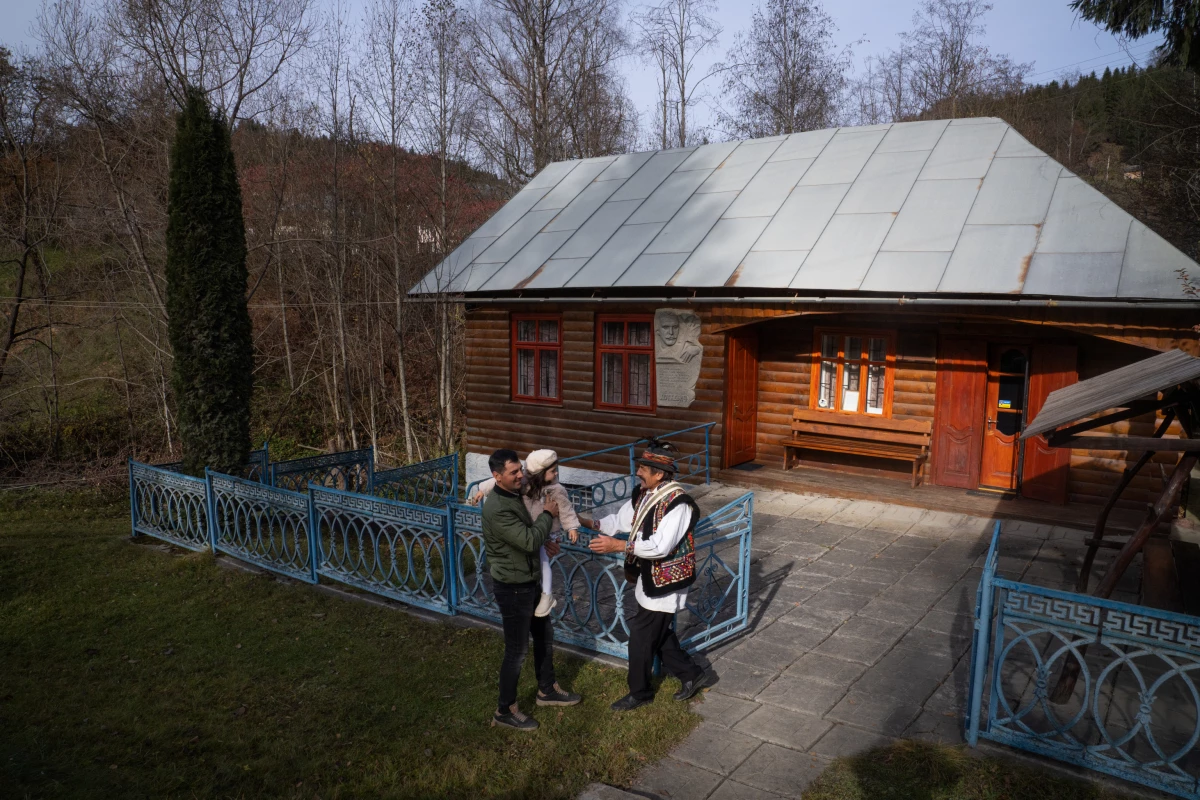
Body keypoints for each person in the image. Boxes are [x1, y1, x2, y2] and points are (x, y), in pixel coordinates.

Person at [584, 440, 709, 711]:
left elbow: (660, 547)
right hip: (649, 576)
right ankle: (692, 674)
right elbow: (619, 521)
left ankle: (640, 693)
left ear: (659, 474)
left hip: (666, 579)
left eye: (643, 468)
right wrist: (587, 522)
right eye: (639, 466)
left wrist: (618, 546)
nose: (638, 472)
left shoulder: (678, 504)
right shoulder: (644, 493)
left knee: (641, 636)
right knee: (659, 633)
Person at [482, 448, 582, 730]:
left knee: (544, 635)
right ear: (496, 476)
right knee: (516, 651)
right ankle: (505, 709)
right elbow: (526, 540)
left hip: (529, 579)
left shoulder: (514, 493)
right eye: (513, 473)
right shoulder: (498, 508)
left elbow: (532, 534)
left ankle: (546, 689)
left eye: (520, 470)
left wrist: (546, 542)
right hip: (513, 587)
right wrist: (547, 515)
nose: (519, 476)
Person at [471, 449, 582, 617]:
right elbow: (493, 482)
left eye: (520, 470)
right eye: (552, 471)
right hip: (530, 534)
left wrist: (572, 527)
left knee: (544, 560)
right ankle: (542, 594)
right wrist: (481, 490)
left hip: (547, 531)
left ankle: (547, 594)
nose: (557, 473)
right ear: (540, 472)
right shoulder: (520, 486)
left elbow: (566, 509)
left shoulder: (556, 490)